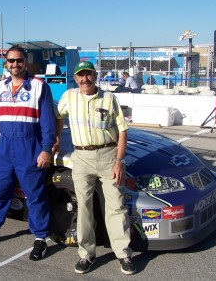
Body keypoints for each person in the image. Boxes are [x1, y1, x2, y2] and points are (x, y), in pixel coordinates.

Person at [0, 45, 56, 261]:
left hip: (30, 148)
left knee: (35, 196)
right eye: (11, 61)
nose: (15, 64)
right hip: (4, 149)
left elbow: (48, 123)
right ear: (6, 63)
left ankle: (40, 238)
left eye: (19, 60)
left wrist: (46, 149)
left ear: (25, 62)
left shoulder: (39, 86)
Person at [54, 61, 136, 275]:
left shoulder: (109, 99)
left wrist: (120, 161)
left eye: (88, 74)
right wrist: (55, 139)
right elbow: (58, 116)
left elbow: (123, 131)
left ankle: (123, 253)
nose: (85, 79)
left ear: (95, 75)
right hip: (81, 157)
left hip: (109, 156)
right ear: (75, 78)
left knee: (116, 207)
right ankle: (86, 255)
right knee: (84, 207)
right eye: (80, 75)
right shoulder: (69, 97)